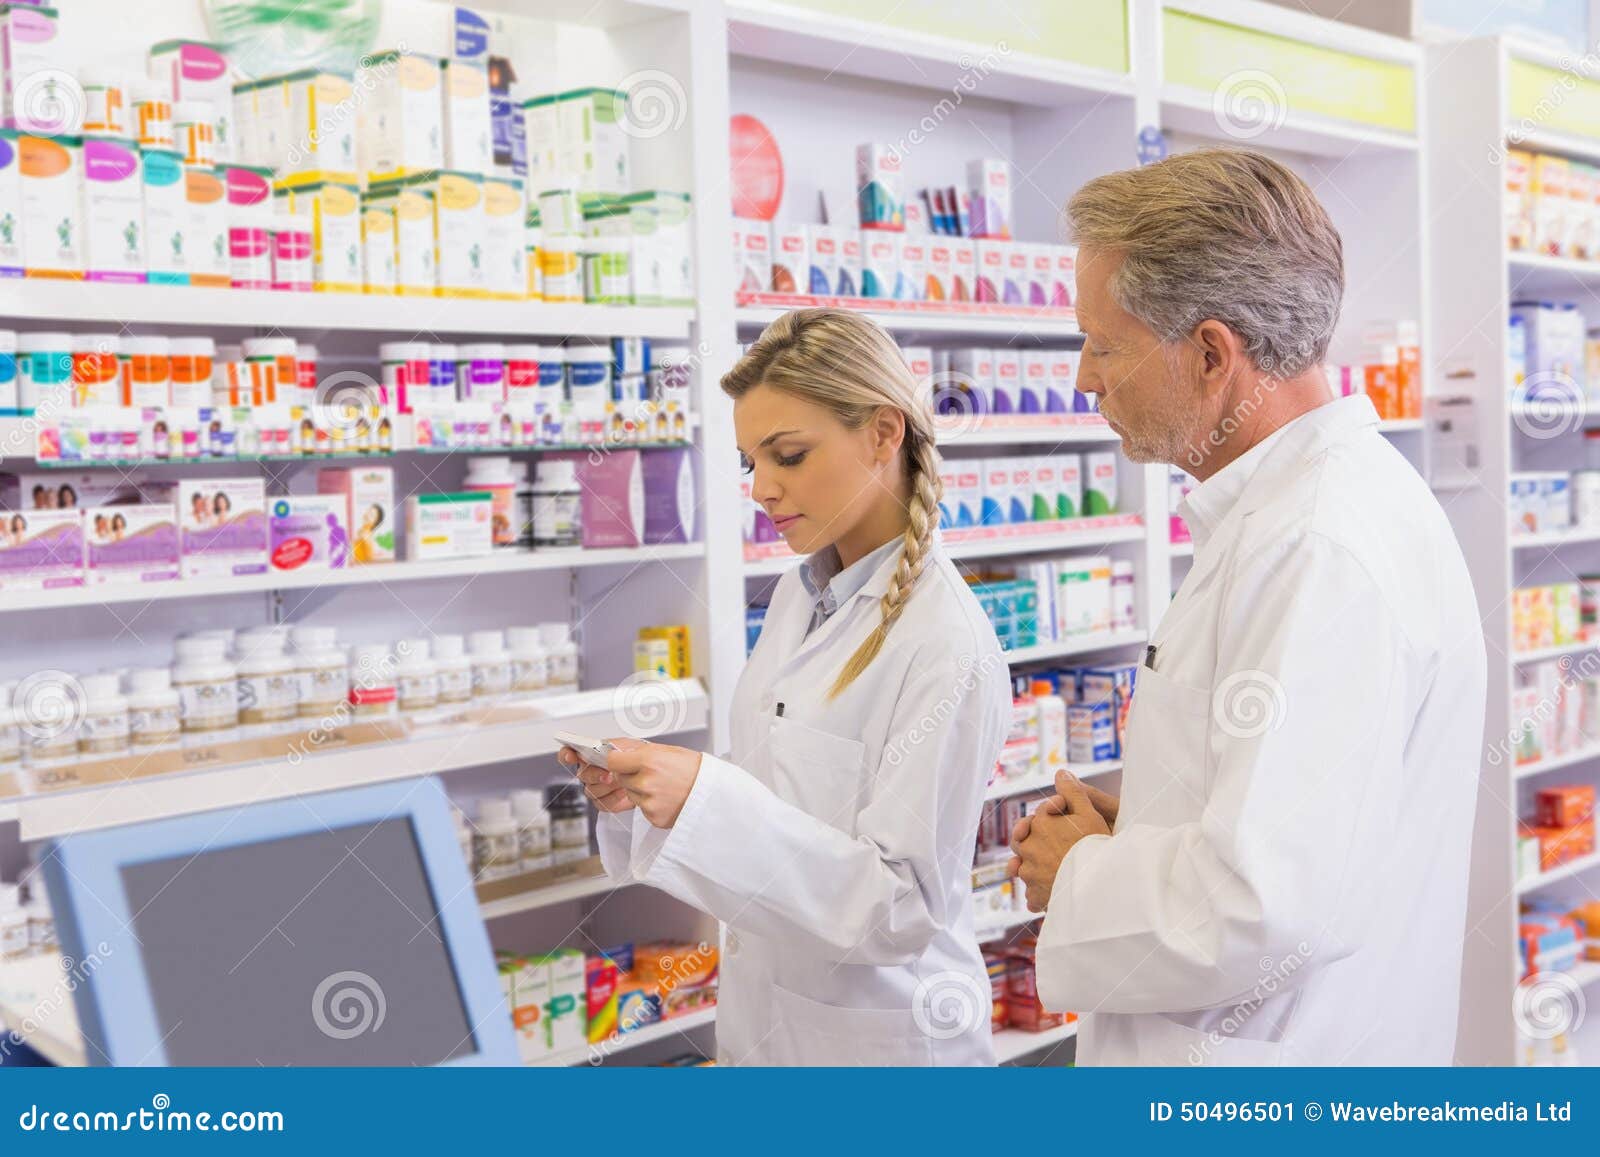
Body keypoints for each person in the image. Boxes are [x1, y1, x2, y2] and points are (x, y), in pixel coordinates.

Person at [1007, 148, 1486, 1065]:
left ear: (1212, 353)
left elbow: (1266, 905)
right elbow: (1293, 824)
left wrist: (1081, 873)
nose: (1083, 378)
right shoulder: (1302, 510)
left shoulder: (1314, 545)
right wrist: (1140, 831)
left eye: (1103, 345)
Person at [562, 309, 1010, 1066]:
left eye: (790, 455)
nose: (764, 487)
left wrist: (706, 798)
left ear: (882, 432)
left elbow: (901, 907)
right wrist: (655, 798)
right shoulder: (800, 593)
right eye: (750, 464)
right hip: (768, 1034)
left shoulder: (945, 643)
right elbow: (779, 795)